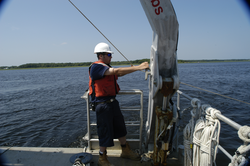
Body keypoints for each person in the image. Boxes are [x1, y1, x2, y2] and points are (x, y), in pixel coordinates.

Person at [88, 42, 149, 166]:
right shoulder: (97, 67)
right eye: (109, 54)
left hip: (112, 103)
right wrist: (138, 67)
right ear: (101, 56)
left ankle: (125, 150)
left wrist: (135, 69)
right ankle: (102, 158)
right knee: (105, 131)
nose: (111, 57)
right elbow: (116, 70)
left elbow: (119, 73)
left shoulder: (106, 67)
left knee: (121, 128)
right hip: (103, 105)